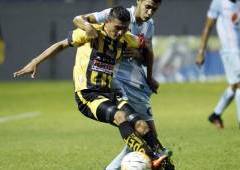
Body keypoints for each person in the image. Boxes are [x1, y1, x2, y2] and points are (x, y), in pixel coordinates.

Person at [13, 6, 174, 170]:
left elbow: (147, 46)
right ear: (108, 22)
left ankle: (165, 162)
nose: (120, 33)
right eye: (117, 28)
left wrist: (145, 65)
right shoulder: (91, 33)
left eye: (124, 29)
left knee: (142, 125)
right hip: (88, 95)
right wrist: (35, 62)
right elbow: (61, 45)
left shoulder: (126, 38)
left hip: (110, 92)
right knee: (120, 117)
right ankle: (151, 157)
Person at [73, 0, 174, 169]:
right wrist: (87, 26)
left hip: (136, 83)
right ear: (139, 1)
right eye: (147, 7)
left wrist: (147, 73)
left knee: (141, 131)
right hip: (117, 82)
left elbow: (145, 53)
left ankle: (134, 164)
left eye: (154, 9)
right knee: (145, 131)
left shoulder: (149, 25)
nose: (149, 12)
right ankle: (156, 162)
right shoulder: (117, 15)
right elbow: (80, 19)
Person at [196, 0, 240, 131]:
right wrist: (201, 51)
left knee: (235, 85)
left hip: (239, 51)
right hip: (228, 51)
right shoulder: (218, 3)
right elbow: (208, 28)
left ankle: (215, 115)